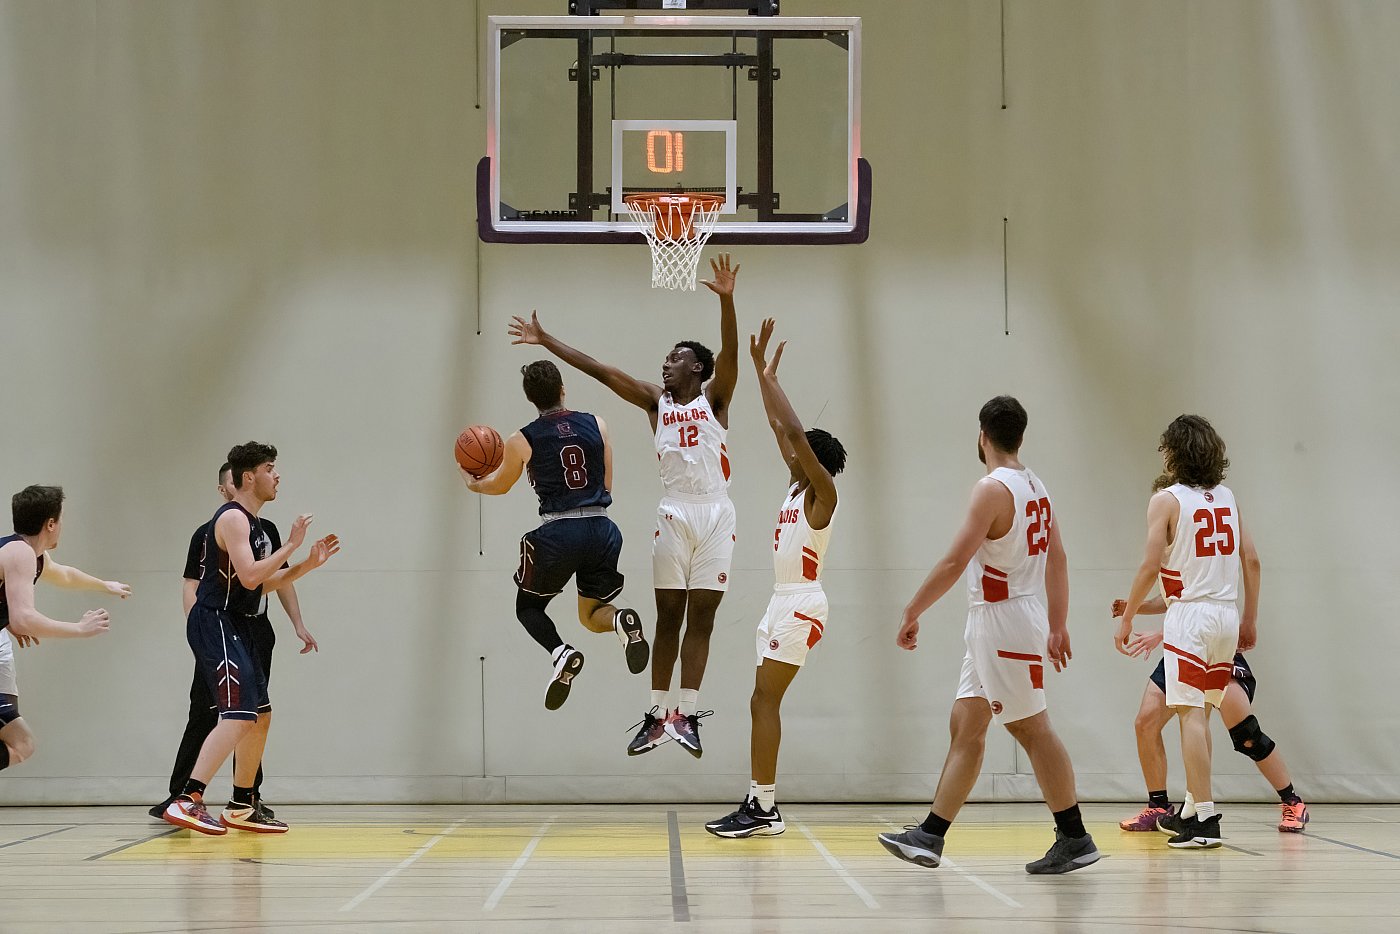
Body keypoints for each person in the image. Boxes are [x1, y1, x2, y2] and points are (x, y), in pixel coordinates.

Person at [508, 254, 740, 757]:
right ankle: (656, 716)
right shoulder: (656, 402)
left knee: (702, 619)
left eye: (675, 358)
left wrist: (727, 301)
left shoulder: (715, 400)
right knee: (667, 617)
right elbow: (599, 370)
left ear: (697, 368)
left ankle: (686, 714)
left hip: (717, 514)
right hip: (674, 513)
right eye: (665, 358)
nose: (665, 363)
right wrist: (547, 340)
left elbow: (730, 353)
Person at [877, 397, 1099, 875]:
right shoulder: (1036, 485)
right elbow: (1058, 558)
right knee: (966, 724)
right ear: (1020, 435)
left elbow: (955, 561)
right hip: (1006, 619)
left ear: (982, 436)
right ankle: (930, 836)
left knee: (1031, 728)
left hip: (1004, 621)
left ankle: (1075, 837)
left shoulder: (992, 489)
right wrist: (1057, 623)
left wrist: (912, 610)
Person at [705, 319, 846, 838]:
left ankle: (763, 807)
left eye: (798, 451)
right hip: (781, 601)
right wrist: (763, 375)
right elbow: (778, 427)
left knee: (765, 700)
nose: (788, 451)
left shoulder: (822, 496)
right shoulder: (794, 488)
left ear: (813, 462)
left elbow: (793, 434)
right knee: (759, 700)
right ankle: (761, 801)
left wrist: (771, 381)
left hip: (802, 603)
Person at [162, 443, 339, 835]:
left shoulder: (256, 525)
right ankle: (187, 798)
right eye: (269, 468)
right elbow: (249, 577)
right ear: (249, 477)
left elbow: (264, 583)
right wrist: (292, 545)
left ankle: (242, 804)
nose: (277, 475)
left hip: (240, 622)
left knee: (260, 714)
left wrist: (307, 564)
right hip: (216, 621)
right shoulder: (233, 519)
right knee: (238, 714)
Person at [460, 360, 648, 708]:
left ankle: (560, 652)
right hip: (602, 528)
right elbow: (607, 483)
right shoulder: (598, 424)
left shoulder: (521, 439)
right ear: (563, 389)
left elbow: (501, 486)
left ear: (530, 398)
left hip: (559, 532)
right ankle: (621, 620)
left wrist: (474, 484)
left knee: (528, 608)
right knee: (591, 615)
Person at [1115, 414, 1260, 849]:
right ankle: (1194, 809)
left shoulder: (1166, 500)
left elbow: (1149, 565)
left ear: (1174, 453)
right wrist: (1250, 618)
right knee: (1202, 716)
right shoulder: (1228, 498)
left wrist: (1127, 618)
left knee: (1189, 716)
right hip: (1226, 616)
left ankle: (1207, 820)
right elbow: (1251, 561)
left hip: (1190, 619)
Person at [1113, 596, 1309, 835]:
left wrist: (1249, 620)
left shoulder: (1218, 579)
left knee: (1247, 736)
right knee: (1145, 723)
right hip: (1180, 650)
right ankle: (1159, 806)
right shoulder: (1175, 574)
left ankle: (1292, 801)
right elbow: (1173, 596)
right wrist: (1133, 608)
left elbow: (1206, 601)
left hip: (1212, 648)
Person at [0, 485, 128, 773]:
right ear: (51, 523)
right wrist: (80, 628)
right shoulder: (19, 553)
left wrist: (104, 585)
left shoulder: (27, 553)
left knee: (20, 743)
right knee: (21, 743)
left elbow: (65, 575)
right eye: (61, 519)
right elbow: (23, 619)